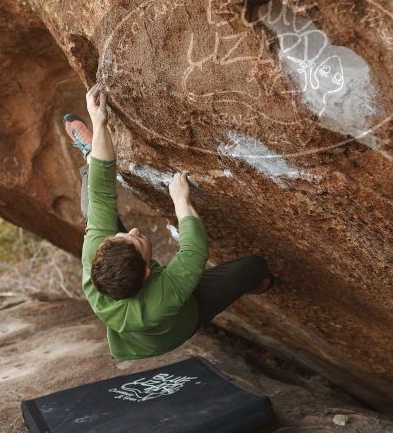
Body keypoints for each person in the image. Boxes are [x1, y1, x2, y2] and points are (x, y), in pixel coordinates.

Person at [64, 84, 275, 360]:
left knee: (94, 205)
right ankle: (260, 283)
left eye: (122, 236)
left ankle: (89, 152)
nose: (134, 230)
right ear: (147, 274)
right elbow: (194, 251)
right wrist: (181, 202)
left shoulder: (96, 251)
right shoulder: (163, 296)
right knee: (255, 267)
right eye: (138, 241)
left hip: (139, 291)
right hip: (177, 324)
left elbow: (102, 188)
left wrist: (99, 121)